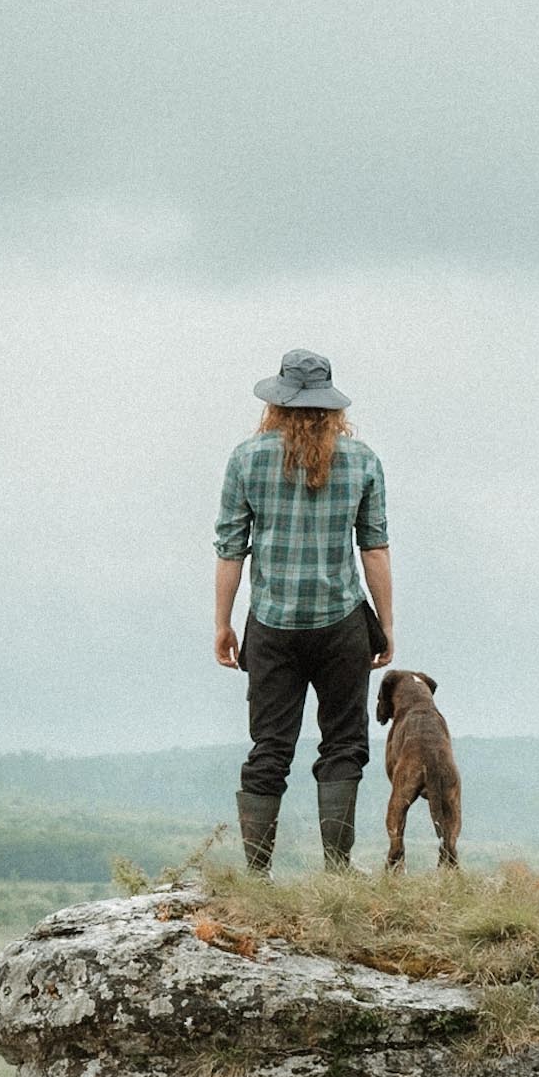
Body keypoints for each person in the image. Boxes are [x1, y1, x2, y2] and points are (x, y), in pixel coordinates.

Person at [214, 349, 393, 872]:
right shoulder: (362, 460)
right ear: (330, 406)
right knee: (343, 744)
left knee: (269, 747)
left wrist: (223, 623)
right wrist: (385, 626)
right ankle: (337, 872)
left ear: (277, 403)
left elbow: (231, 550)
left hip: (270, 625)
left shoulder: (246, 458)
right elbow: (375, 549)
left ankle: (256, 875)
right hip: (341, 624)